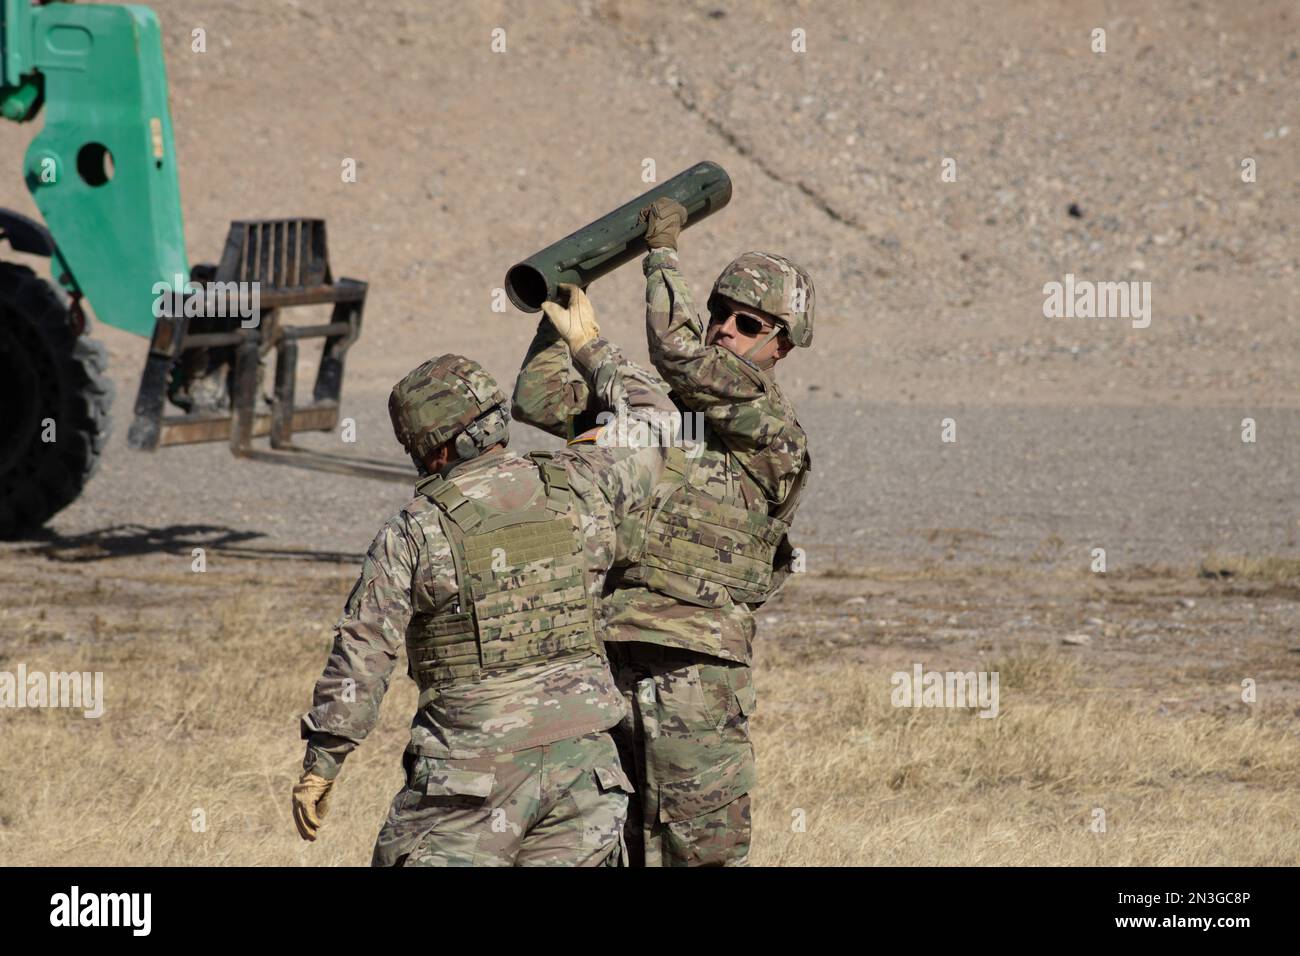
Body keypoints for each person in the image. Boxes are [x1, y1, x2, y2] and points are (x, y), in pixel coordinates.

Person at [292, 294, 674, 866]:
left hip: (466, 782)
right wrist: (588, 346)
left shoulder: (415, 531)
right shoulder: (581, 486)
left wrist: (324, 759)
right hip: (585, 777)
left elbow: (364, 651)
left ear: (435, 447)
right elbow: (656, 420)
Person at [511, 198, 815, 866]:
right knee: (599, 843)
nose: (726, 329)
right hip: (612, 655)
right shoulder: (661, 416)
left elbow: (674, 353)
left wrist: (663, 254)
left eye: (749, 322)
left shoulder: (771, 431)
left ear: (781, 345)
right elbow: (537, 402)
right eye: (720, 314)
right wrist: (562, 312)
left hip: (697, 673)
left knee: (696, 851)